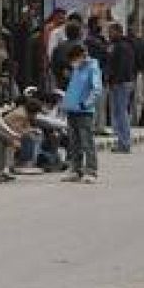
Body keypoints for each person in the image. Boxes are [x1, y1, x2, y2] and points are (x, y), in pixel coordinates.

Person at [60, 43, 103, 183]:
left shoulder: (92, 68)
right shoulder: (76, 69)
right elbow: (73, 88)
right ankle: (75, 170)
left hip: (84, 110)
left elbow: (96, 89)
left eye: (74, 58)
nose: (73, 62)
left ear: (82, 55)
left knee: (87, 142)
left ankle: (91, 170)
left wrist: (87, 103)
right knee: (74, 142)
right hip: (72, 109)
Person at [105, 22, 138, 154]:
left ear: (118, 32)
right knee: (120, 112)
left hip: (121, 83)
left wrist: (114, 81)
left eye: (111, 32)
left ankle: (124, 142)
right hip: (122, 82)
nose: (109, 34)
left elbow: (122, 66)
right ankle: (122, 141)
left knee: (121, 113)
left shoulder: (121, 46)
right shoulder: (122, 45)